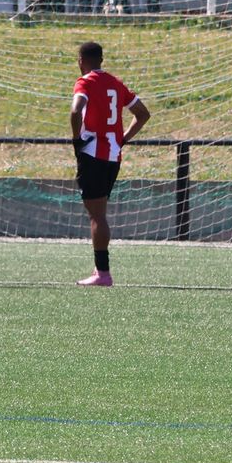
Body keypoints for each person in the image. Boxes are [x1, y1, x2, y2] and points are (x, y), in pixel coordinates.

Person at [69, 40, 150, 287]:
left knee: (97, 215)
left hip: (92, 154)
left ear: (81, 61)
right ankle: (101, 271)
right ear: (101, 60)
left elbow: (75, 111)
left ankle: (102, 273)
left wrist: (76, 140)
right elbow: (143, 114)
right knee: (99, 213)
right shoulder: (116, 83)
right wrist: (123, 139)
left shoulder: (85, 82)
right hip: (113, 156)